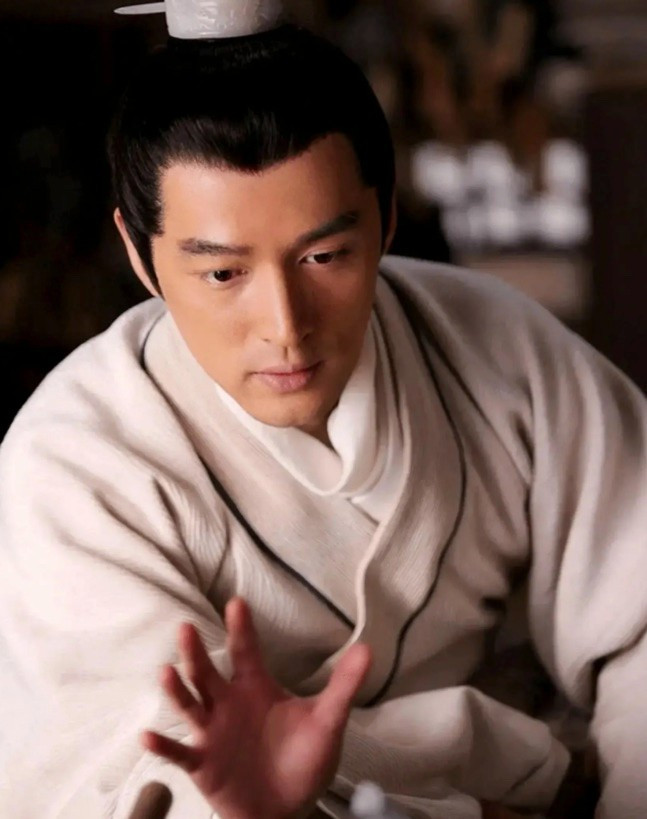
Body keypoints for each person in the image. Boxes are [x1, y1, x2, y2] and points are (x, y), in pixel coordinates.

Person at [0, 2, 645, 817]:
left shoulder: (502, 352)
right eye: (223, 273)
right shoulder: (77, 463)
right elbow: (125, 767)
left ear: (386, 215)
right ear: (138, 251)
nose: (284, 324)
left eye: (324, 255)